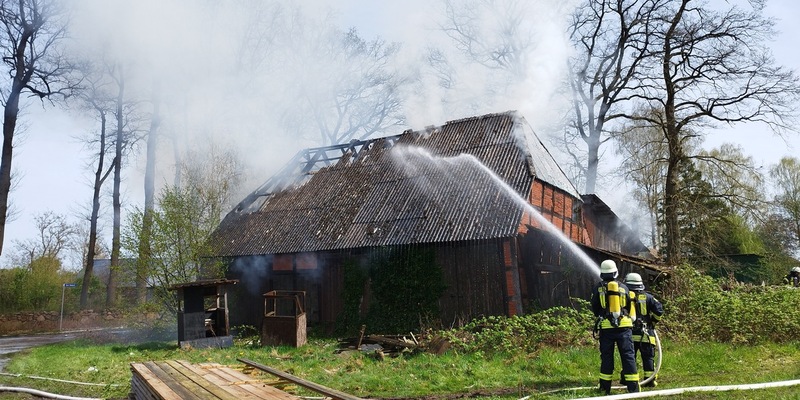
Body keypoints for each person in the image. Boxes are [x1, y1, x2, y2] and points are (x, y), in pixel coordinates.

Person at [591, 260, 639, 394]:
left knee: (607, 357)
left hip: (606, 328)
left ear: (602, 273)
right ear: (615, 272)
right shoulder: (624, 287)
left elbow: (595, 308)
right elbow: (630, 307)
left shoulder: (598, 288)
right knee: (628, 356)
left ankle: (604, 388)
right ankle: (633, 388)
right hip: (625, 327)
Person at [625, 272, 664, 387]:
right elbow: (659, 310)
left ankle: (627, 379)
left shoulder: (625, 296)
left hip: (629, 333)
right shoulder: (649, 297)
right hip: (646, 333)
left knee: (629, 357)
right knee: (648, 357)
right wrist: (653, 321)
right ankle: (650, 380)